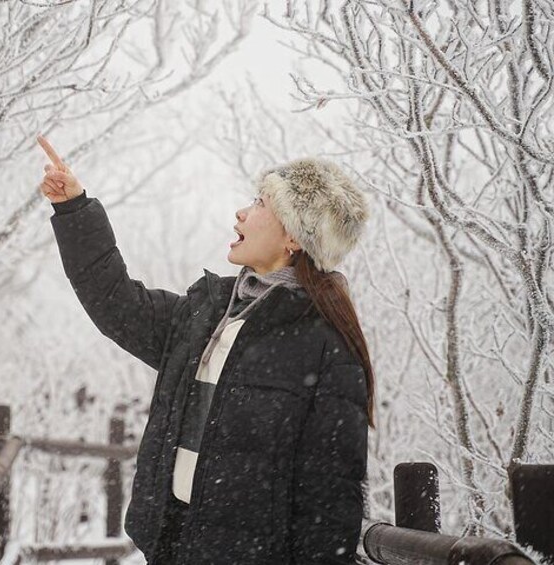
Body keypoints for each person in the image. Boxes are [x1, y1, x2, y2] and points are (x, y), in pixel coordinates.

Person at [37, 134, 374, 564]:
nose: (241, 212)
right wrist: (74, 208)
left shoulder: (327, 346)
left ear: (294, 236)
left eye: (260, 204)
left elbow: (331, 492)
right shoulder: (205, 314)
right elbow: (113, 300)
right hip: (171, 547)